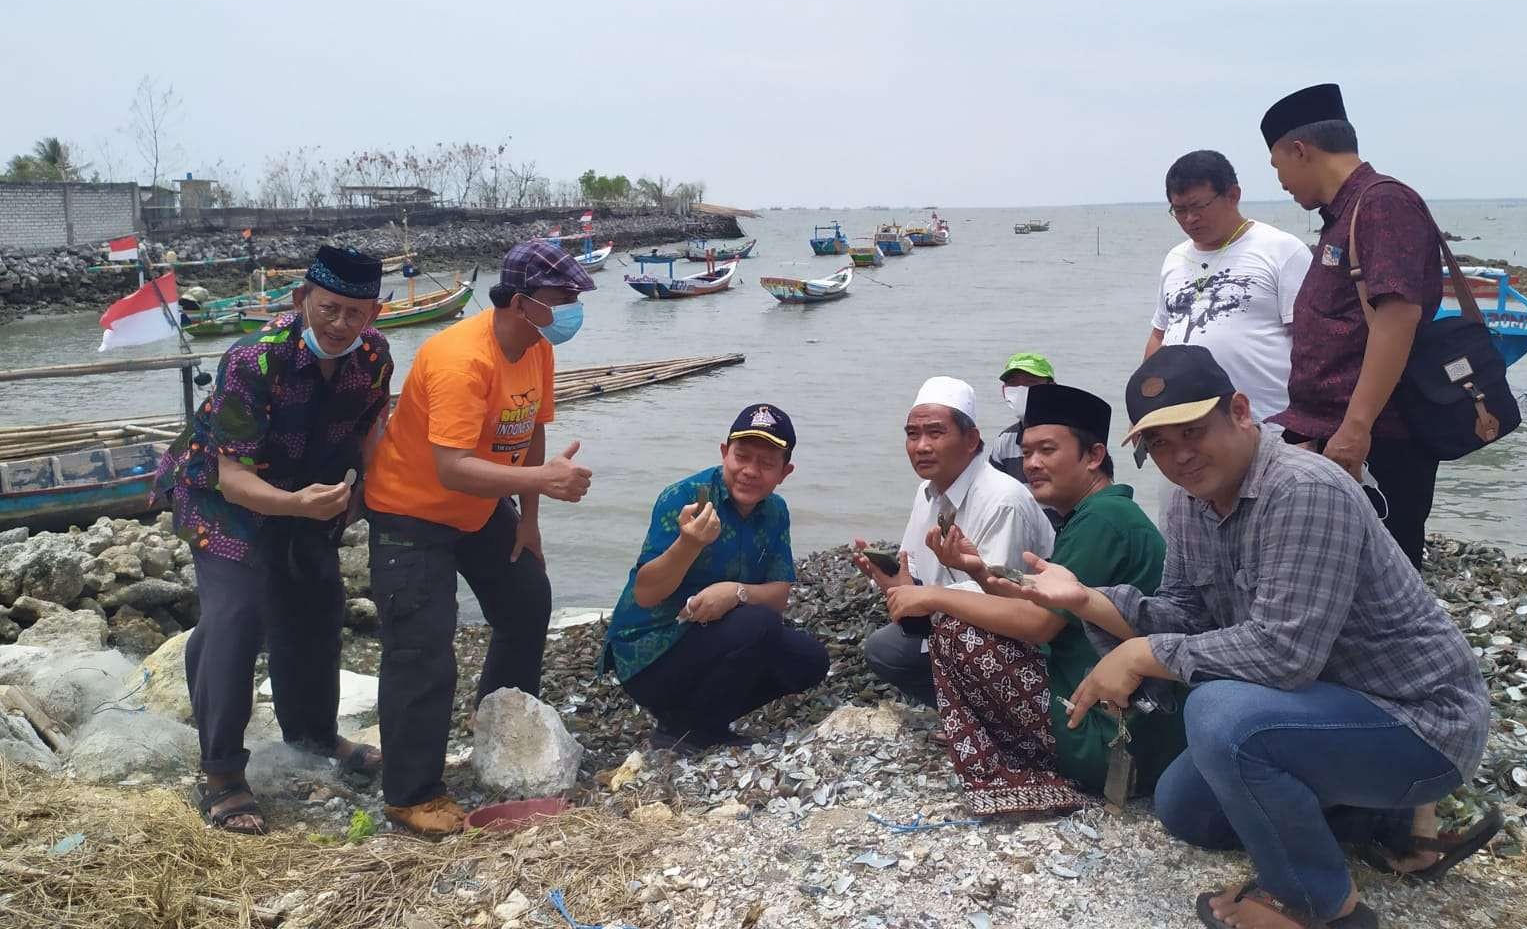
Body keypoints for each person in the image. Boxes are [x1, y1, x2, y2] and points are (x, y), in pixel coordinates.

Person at [1009, 345, 1496, 929]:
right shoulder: (1188, 501)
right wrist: (1086, 597)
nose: (1180, 456)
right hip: (1321, 711)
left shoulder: (1303, 488)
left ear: (1240, 411)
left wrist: (1142, 653)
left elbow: (1283, 654)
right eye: (1160, 443)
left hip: (1417, 722)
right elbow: (1187, 615)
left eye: (1193, 431)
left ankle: (1317, 901)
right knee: (1185, 808)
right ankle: (1383, 823)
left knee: (1219, 714)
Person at [152, 245, 393, 835]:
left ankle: (312, 735)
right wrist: (295, 505)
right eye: (328, 308)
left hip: (308, 494)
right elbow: (234, 478)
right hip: (221, 498)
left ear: (374, 315)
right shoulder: (252, 361)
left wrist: (372, 499)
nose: (340, 325)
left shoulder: (375, 358)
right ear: (300, 299)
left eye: (355, 313)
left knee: (317, 605)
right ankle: (222, 775)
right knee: (236, 616)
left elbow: (372, 433)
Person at [361, 239, 596, 835]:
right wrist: (541, 479)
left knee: (526, 597)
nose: (573, 306)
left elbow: (534, 431)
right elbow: (451, 466)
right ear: (521, 301)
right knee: (422, 647)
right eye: (563, 296)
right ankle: (411, 794)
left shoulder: (537, 348)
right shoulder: (462, 360)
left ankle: (501, 721)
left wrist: (531, 517)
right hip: (410, 513)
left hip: (481, 508)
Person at [906, 383, 1184, 815]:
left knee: (956, 628)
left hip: (1114, 733)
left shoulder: (1105, 521)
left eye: (1047, 451)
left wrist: (936, 597)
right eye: (1027, 451)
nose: (1031, 464)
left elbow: (1040, 623)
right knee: (964, 616)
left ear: (1092, 456)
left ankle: (1022, 761)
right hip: (1107, 708)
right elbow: (1044, 591)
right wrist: (978, 569)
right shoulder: (1093, 515)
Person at [1261, 83, 1443, 568]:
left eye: (1277, 166)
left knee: (1381, 589)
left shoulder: (1381, 204)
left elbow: (1398, 315)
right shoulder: (1341, 217)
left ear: (1300, 150)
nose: (1280, 181)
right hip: (1333, 432)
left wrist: (1355, 429)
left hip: (1377, 439)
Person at [600, 404, 830, 751]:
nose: (750, 471)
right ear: (725, 453)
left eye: (766, 464)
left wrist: (734, 592)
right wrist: (688, 543)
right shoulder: (684, 497)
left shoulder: (774, 511)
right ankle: (693, 728)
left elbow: (779, 595)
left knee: (810, 660)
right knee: (757, 624)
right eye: (742, 457)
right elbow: (646, 593)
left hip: (710, 640)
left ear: (785, 472)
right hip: (648, 657)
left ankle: (693, 720)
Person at [853, 376, 1054, 707]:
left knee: (947, 638)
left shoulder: (1002, 500)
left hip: (1011, 640)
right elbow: (914, 569)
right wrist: (893, 582)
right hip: (948, 622)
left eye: (935, 433)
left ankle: (1004, 716)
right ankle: (959, 710)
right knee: (883, 648)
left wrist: (927, 598)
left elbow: (1005, 597)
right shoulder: (928, 491)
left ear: (972, 439)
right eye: (912, 435)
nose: (921, 446)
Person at [1146, 150, 1310, 422]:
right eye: (1179, 210)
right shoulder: (1174, 259)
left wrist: (1308, 424)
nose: (1189, 219)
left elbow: (1312, 344)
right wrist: (1147, 405)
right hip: (1188, 426)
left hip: (1270, 422)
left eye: (1198, 207)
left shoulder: (1282, 250)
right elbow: (1159, 336)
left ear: (1233, 195)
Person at [988, 352, 1056, 490]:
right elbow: (994, 493)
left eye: (1031, 382)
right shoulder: (1005, 441)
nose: (1020, 389)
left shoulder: (1071, 435)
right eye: (1012, 383)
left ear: (1052, 387)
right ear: (1004, 391)